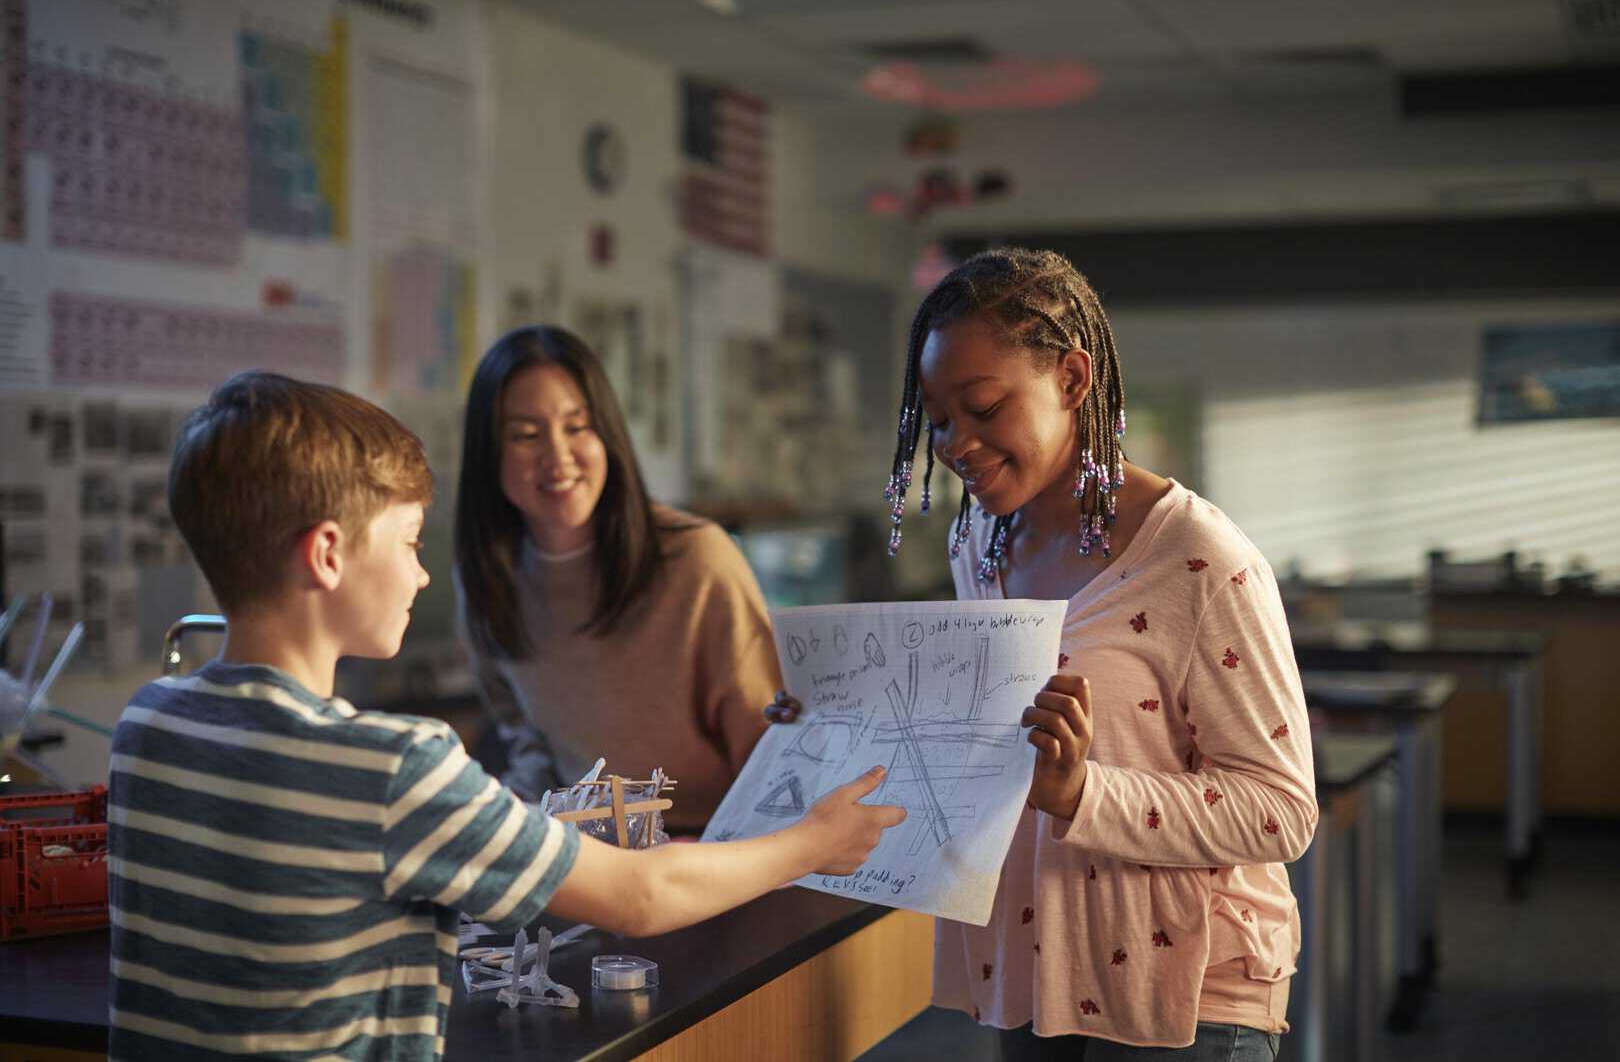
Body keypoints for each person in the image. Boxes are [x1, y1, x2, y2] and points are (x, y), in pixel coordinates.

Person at [108, 371, 904, 1060]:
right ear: (326, 554)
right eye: (411, 542)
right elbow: (640, 897)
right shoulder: (395, 766)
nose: (422, 576)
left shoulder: (147, 727)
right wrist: (813, 842)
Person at [769, 248, 1316, 1060]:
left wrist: (1082, 794)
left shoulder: (1199, 559)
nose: (956, 443)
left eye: (984, 407)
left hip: (1186, 993)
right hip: (1032, 967)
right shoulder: (980, 539)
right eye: (940, 419)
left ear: (1072, 379)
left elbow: (1281, 809)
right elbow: (986, 749)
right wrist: (843, 727)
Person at [454, 325, 782, 832]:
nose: (557, 455)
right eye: (525, 435)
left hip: (715, 853)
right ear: (489, 455)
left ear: (607, 434)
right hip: (586, 860)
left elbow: (769, 752)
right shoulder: (487, 577)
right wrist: (514, 805)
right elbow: (522, 731)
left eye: (577, 426)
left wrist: (729, 859)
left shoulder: (696, 558)